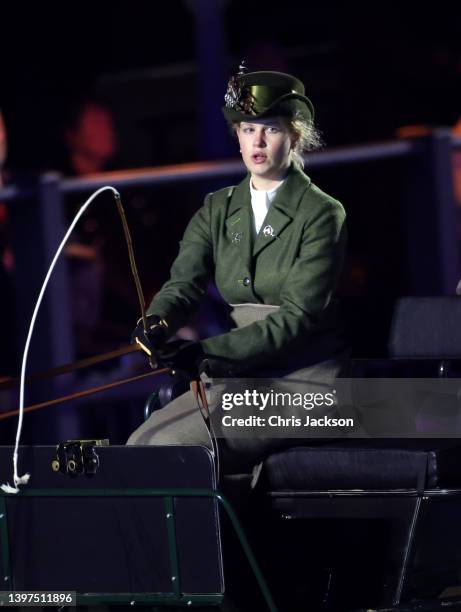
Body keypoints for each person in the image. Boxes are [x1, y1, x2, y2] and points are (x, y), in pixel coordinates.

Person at [128, 67, 348, 475]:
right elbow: (183, 285)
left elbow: (296, 319)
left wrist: (208, 351)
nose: (258, 142)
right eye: (248, 129)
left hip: (305, 387)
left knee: (165, 447)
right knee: (138, 443)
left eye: (271, 129)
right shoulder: (218, 208)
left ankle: (209, 537)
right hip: (242, 381)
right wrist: (158, 322)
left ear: (295, 136)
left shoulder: (321, 213)